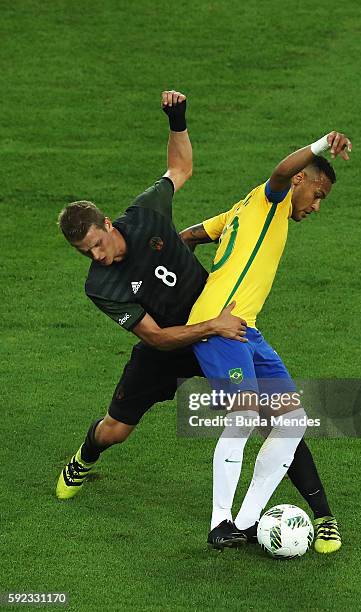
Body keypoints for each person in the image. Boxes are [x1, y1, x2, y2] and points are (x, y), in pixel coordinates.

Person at [56, 90, 247, 500]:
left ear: (108, 224)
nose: (95, 256)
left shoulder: (146, 213)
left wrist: (177, 121)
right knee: (116, 430)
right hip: (167, 349)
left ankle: (319, 515)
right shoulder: (100, 286)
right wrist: (212, 325)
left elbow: (180, 167)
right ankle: (84, 457)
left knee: (264, 407)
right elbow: (158, 337)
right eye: (84, 252)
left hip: (214, 327)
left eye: (96, 243)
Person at [181, 129, 352, 551]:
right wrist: (318, 147)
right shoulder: (269, 198)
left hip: (248, 330)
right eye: (318, 194)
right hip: (221, 326)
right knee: (243, 416)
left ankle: (246, 520)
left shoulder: (240, 211)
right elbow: (279, 172)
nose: (315, 205)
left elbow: (188, 237)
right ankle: (220, 521)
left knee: (291, 422)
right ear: (301, 180)